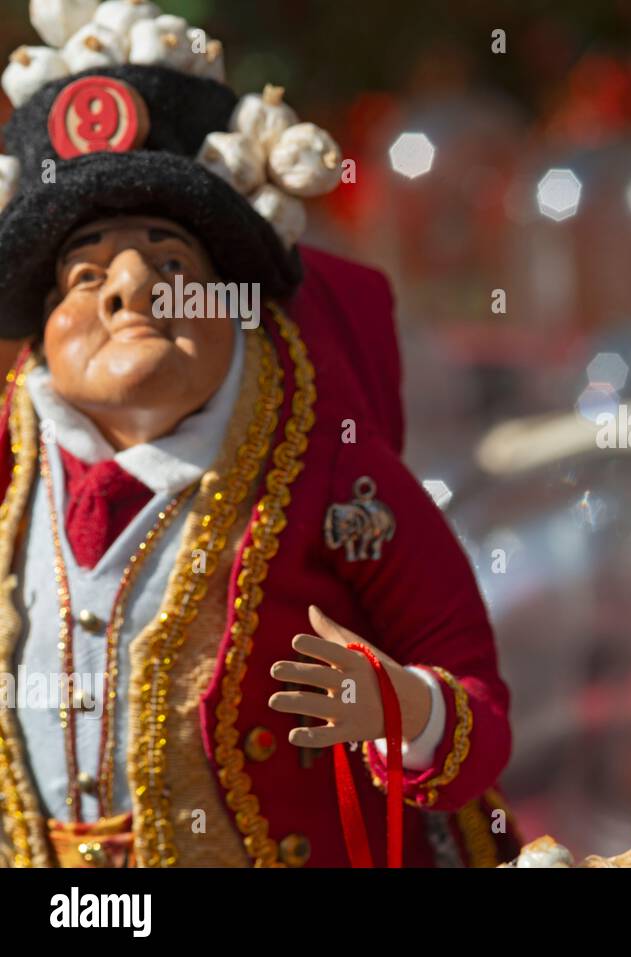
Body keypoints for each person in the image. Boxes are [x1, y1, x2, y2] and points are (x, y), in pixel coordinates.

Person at [0, 4, 514, 868]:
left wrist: (404, 709)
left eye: (172, 265)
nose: (132, 293)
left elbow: (476, 699)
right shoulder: (14, 469)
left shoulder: (328, 468)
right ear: (42, 330)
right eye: (85, 275)